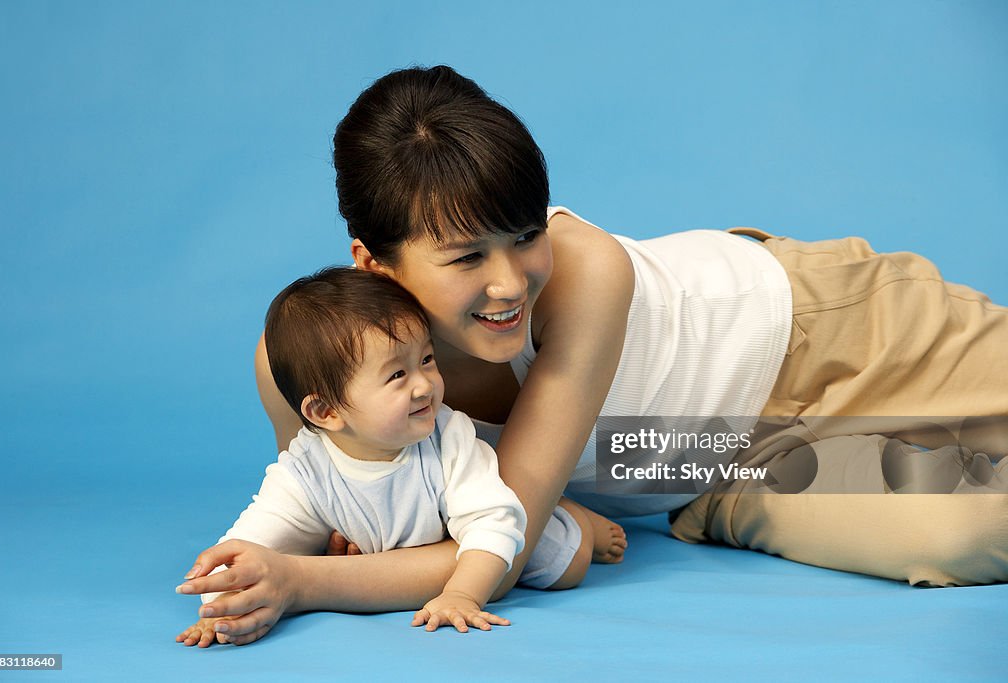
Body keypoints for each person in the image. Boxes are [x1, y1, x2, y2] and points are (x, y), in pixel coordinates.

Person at [175, 64, 1008, 646]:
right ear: (372, 263)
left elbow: (485, 558)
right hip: (733, 465)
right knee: (981, 522)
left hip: (824, 331)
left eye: (526, 236)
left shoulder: (587, 274)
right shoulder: (308, 370)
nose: (510, 284)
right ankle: (712, 504)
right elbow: (361, 530)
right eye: (466, 257)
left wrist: (297, 582)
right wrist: (300, 563)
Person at [177, 267, 626, 646]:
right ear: (326, 411)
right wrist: (219, 608)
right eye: (397, 374)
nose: (424, 385)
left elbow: (493, 522)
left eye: (427, 360)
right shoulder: (305, 469)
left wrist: (463, 595)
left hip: (482, 521)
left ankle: (571, 514)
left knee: (565, 564)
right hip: (417, 546)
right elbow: (253, 541)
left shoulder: (448, 436)